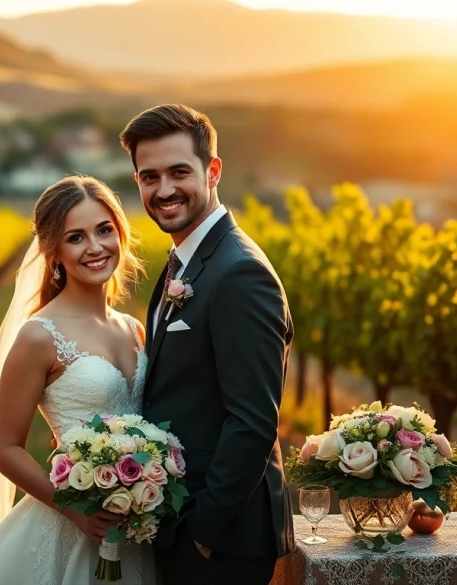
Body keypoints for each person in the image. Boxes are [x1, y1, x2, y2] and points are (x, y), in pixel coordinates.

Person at [0, 175, 160, 585]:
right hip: (67, 526)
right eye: (76, 237)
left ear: (121, 234)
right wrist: (74, 509)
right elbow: (4, 448)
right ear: (54, 252)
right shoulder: (39, 335)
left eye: (104, 230)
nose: (95, 247)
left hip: (135, 525)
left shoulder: (133, 328)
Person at [119, 104, 296, 585]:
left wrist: (203, 532)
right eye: (148, 176)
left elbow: (254, 421)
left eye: (179, 172)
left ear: (213, 170)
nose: (164, 190)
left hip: (221, 543)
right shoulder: (186, 258)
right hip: (181, 525)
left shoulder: (239, 273)